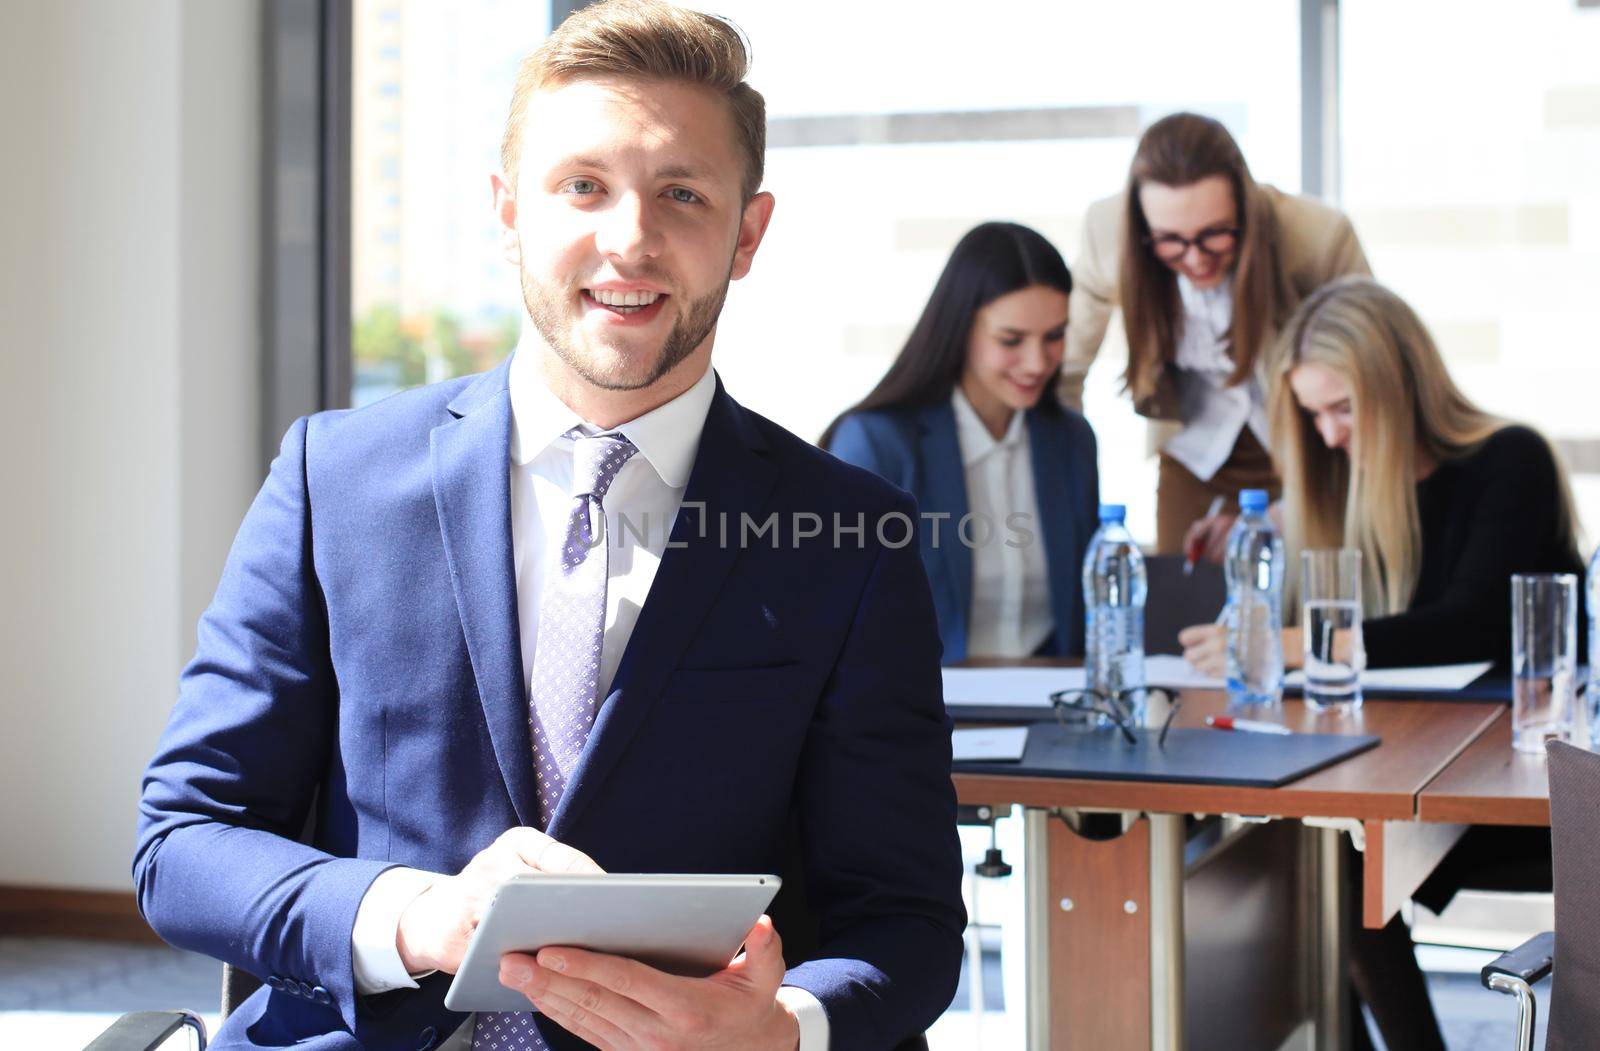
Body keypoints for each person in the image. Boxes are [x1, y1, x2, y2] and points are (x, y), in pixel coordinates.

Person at [133, 4, 965, 1049]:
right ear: (508, 210)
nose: (630, 239)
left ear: (745, 234)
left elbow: (908, 919)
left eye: (681, 194)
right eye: (582, 186)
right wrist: (419, 917)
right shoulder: (331, 478)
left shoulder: (851, 539)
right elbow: (187, 841)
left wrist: (783, 1025)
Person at [1182, 275, 1582, 1051]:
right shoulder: (1349, 486)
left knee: (1325, 854)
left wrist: (1298, 642)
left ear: (1398, 387)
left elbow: (1467, 627)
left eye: (1342, 409)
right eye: (1313, 414)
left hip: (1520, 791)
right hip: (1422, 777)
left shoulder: (1511, 460)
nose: (1329, 435)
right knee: (1306, 846)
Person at [1062, 111, 1370, 555]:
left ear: (1246, 209)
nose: (1195, 258)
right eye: (1171, 240)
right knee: (1182, 604)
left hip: (1311, 450)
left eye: (1214, 235)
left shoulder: (1318, 238)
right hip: (1193, 450)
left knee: (1302, 604)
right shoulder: (1108, 235)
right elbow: (1066, 373)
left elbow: (1371, 378)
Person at [823, 222, 1099, 664]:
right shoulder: (878, 443)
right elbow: (832, 613)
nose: (1038, 362)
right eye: (1011, 340)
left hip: (1054, 699)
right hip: (924, 710)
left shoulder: (1071, 441)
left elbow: (1087, 610)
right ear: (961, 329)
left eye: (1054, 336)